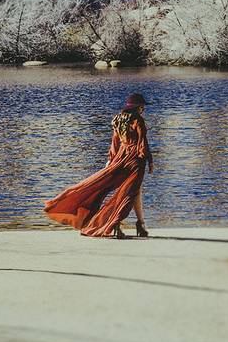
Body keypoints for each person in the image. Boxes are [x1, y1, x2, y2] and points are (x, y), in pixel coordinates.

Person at [44, 93, 153, 238]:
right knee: (128, 194)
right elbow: (142, 144)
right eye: (142, 106)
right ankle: (113, 223)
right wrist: (149, 160)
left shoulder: (118, 120)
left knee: (133, 190)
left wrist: (111, 159)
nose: (143, 109)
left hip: (121, 158)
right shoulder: (138, 121)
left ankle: (140, 224)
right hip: (135, 160)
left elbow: (115, 143)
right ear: (138, 107)